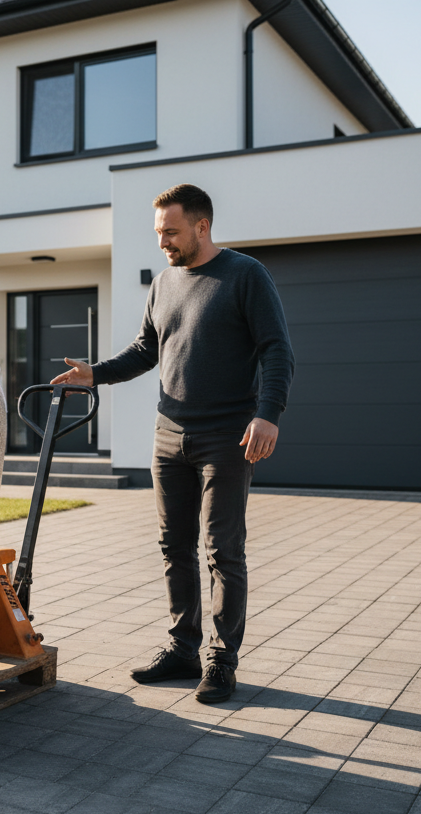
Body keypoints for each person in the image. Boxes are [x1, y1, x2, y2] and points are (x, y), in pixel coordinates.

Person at [52, 184, 293, 703]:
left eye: (170, 231)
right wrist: (95, 373)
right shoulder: (163, 283)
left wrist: (267, 414)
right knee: (173, 548)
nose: (162, 240)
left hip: (227, 437)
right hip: (169, 435)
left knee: (222, 550)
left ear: (202, 226)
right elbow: (146, 350)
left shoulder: (245, 276)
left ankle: (221, 659)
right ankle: (183, 648)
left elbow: (277, 350)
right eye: (158, 231)